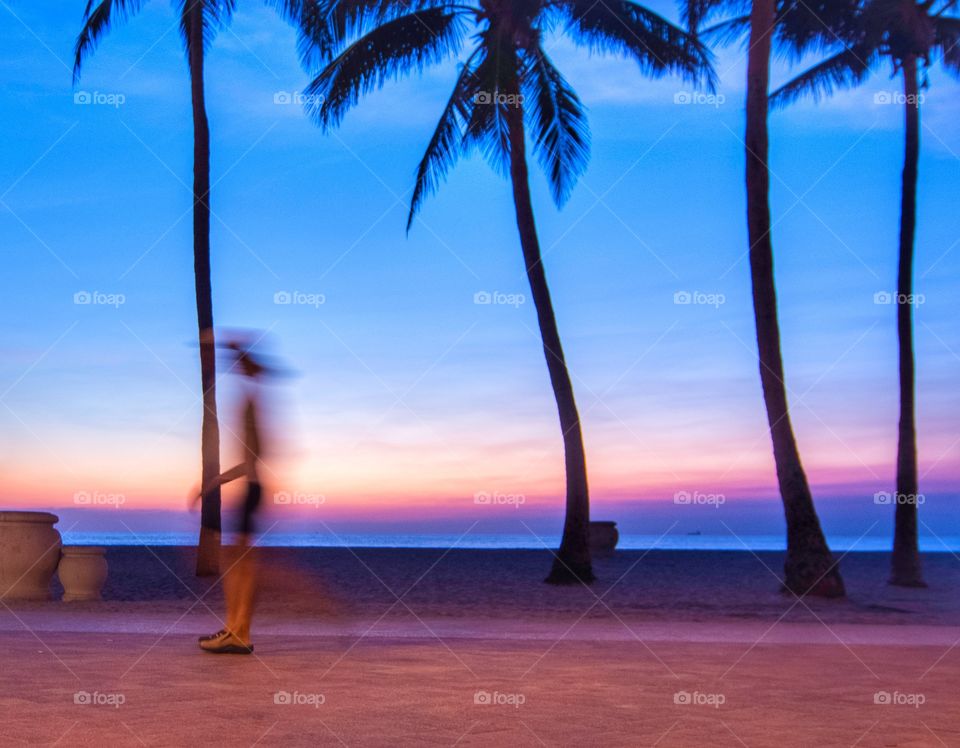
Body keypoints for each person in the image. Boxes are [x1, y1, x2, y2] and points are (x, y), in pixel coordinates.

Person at [193, 337, 270, 655]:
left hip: (253, 488)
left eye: (240, 364)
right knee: (239, 560)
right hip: (254, 487)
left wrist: (216, 481)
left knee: (240, 561)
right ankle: (236, 629)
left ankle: (238, 632)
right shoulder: (253, 399)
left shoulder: (251, 402)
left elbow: (256, 455)